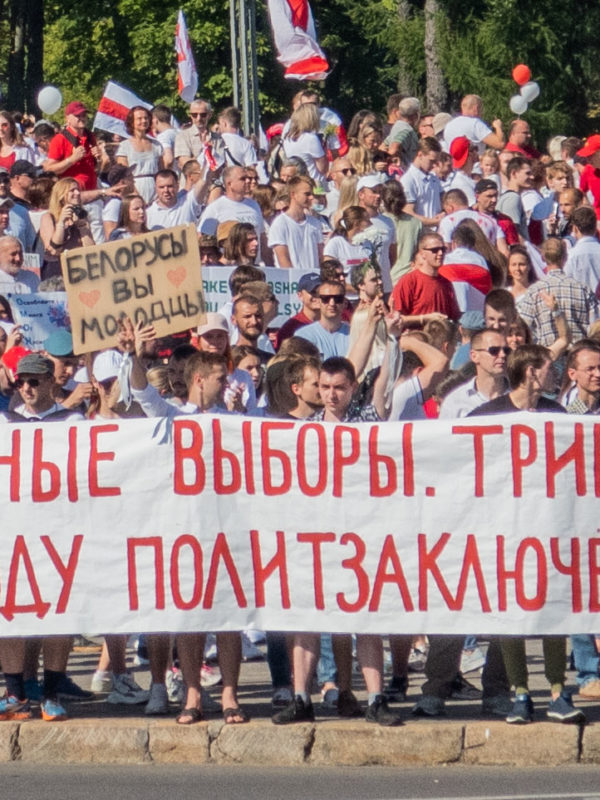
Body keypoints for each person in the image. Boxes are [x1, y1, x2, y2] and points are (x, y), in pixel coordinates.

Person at [468, 345, 584, 725]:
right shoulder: (487, 416)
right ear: (532, 371)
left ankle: (557, 690)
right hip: (503, 530)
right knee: (511, 613)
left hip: (548, 528)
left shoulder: (556, 415)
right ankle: (519, 692)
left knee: (552, 607)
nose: (556, 373)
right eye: (550, 367)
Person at [519, 236, 599, 346]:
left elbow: (524, 326)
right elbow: (595, 326)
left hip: (548, 352)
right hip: (579, 350)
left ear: (542, 258)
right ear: (565, 257)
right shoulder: (584, 289)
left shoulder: (534, 291)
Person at [391, 232, 460, 324]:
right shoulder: (409, 281)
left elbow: (454, 317)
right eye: (435, 250)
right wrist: (424, 319)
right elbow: (396, 319)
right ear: (422, 254)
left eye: (443, 249)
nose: (440, 253)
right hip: (415, 332)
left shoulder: (446, 283)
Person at [439, 327, 509, 418]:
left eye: (507, 350)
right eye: (494, 350)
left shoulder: (520, 396)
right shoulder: (455, 401)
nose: (503, 355)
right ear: (474, 356)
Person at [199, 166, 265, 255]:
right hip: (229, 262)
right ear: (229, 184)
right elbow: (203, 239)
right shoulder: (215, 207)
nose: (248, 181)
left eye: (247, 178)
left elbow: (262, 237)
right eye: (243, 179)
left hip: (254, 262)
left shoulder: (254, 205)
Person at [39, 177, 95, 280]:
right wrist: (61, 222)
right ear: (61, 195)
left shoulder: (82, 216)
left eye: (78, 189)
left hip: (79, 267)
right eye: (72, 190)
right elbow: (54, 250)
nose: (77, 193)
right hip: (56, 269)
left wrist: (82, 226)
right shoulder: (48, 217)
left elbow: (91, 248)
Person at [268, 175, 323, 270]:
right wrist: (294, 277)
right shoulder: (280, 224)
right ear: (293, 195)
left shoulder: (315, 223)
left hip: (314, 277)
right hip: (292, 277)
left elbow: (320, 255)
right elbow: (283, 259)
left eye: (312, 194)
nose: (311, 197)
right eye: (307, 194)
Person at [44, 101, 99, 191]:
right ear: (68, 119)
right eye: (78, 115)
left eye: (84, 115)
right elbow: (49, 170)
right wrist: (72, 159)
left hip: (91, 192)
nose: (82, 118)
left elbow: (96, 168)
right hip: (72, 194)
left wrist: (99, 159)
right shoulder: (59, 139)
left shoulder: (90, 136)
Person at [116, 106, 164, 204]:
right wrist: (136, 196)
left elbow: (161, 171)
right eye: (139, 118)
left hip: (156, 193)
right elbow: (124, 175)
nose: (144, 121)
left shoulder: (157, 145)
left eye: (146, 118)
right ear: (131, 122)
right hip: (134, 190)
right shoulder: (124, 146)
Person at [296, 279, 350, 358]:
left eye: (338, 299)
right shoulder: (303, 336)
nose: (332, 303)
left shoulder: (354, 334)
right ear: (319, 302)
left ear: (345, 302)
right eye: (326, 298)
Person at [146, 167, 212, 229]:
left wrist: (209, 163)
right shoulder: (148, 214)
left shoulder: (188, 202)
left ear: (177, 186)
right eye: (161, 187)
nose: (166, 190)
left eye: (170, 186)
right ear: (155, 188)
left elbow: (203, 182)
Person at [400, 137, 443, 227]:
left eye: (436, 162)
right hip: (421, 232)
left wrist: (444, 213)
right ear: (420, 155)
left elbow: (443, 201)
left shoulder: (434, 177)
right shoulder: (408, 180)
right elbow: (408, 213)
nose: (434, 165)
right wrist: (433, 222)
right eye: (431, 161)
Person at [282, 103, 328, 184]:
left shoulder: (287, 138)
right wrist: (324, 148)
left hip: (295, 180)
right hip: (313, 181)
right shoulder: (311, 138)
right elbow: (322, 169)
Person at [174, 98, 224, 171]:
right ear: (190, 115)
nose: (198, 118)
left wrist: (195, 159)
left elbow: (221, 163)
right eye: (194, 115)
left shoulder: (218, 138)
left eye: (203, 115)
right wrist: (206, 152)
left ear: (210, 115)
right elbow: (185, 164)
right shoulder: (182, 136)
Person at [275, 272, 322, 348]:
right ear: (300, 295)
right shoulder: (290, 328)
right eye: (313, 292)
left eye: (320, 292)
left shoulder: (333, 322)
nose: (317, 296)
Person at [323, 205, 369, 281]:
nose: (370, 224)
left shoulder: (368, 244)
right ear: (357, 223)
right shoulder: (335, 243)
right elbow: (328, 274)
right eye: (367, 220)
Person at [564, 205, 600, 294]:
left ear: (575, 229)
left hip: (580, 300)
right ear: (595, 227)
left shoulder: (571, 255)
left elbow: (566, 281)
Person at [496, 157, 534, 241]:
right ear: (514, 174)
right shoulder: (512, 198)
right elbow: (513, 233)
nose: (532, 177)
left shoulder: (511, 197)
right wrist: (531, 248)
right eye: (527, 173)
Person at [383, 96, 420, 170]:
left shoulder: (397, 126)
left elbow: (382, 146)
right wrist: (394, 161)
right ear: (415, 115)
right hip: (405, 171)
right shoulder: (406, 130)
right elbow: (393, 149)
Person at [151, 104, 177, 170]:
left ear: (155, 120)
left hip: (172, 173)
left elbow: (168, 160)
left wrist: (163, 173)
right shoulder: (180, 132)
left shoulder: (163, 136)